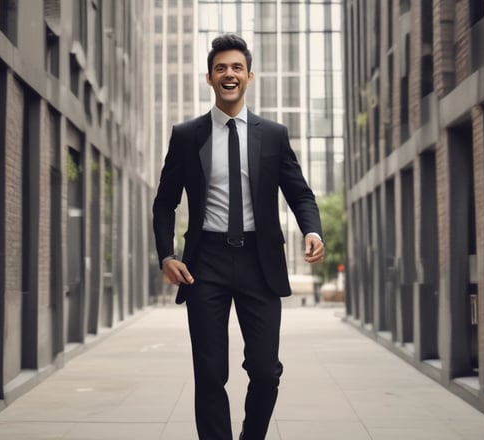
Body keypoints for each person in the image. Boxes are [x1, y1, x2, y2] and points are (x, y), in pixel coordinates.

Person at [152, 34, 324, 440]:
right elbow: (165, 203)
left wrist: (311, 228)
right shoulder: (187, 135)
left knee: (265, 372)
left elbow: (299, 192)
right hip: (204, 263)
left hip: (259, 262)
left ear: (249, 75)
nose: (228, 74)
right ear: (209, 78)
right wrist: (166, 255)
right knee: (210, 373)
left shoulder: (273, 135)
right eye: (220, 68)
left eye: (236, 68)